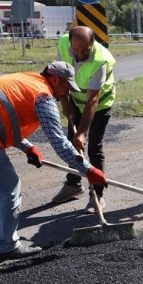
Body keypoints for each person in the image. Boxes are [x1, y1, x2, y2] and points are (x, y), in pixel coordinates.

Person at [0, 61, 108, 260]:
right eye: (66, 87)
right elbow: (59, 142)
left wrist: (28, 147)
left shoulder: (26, 80)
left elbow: (4, 118)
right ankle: (7, 245)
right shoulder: (43, 95)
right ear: (55, 78)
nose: (65, 94)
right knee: (8, 189)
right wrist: (88, 170)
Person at [51, 26, 116, 213]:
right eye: (76, 49)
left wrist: (82, 133)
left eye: (84, 50)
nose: (79, 54)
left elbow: (93, 101)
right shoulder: (64, 43)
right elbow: (59, 75)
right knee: (72, 144)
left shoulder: (101, 60)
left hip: (100, 103)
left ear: (92, 43)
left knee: (94, 146)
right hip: (75, 99)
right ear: (70, 42)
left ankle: (97, 195)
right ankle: (73, 185)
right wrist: (65, 102)